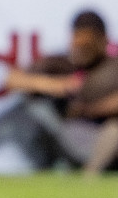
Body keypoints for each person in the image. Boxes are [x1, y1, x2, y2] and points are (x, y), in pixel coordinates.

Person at [6, 11, 118, 175]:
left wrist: (89, 109)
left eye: (87, 44)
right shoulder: (63, 63)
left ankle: (90, 174)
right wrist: (54, 85)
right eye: (76, 41)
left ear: (102, 41)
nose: (79, 47)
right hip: (69, 133)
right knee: (33, 106)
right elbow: (11, 79)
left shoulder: (112, 66)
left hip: (104, 137)